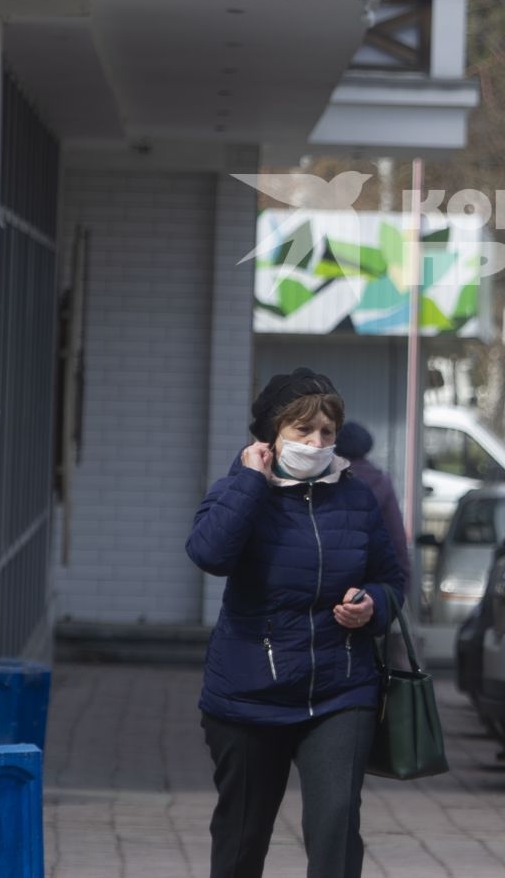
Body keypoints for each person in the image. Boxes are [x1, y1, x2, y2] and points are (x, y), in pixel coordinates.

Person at [186, 368, 407, 878]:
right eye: (302, 431)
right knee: (241, 842)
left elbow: (392, 578)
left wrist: (373, 604)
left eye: (327, 432)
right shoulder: (238, 491)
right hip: (247, 696)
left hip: (339, 690)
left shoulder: (357, 497)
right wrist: (250, 481)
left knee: (335, 828)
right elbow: (208, 553)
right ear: (271, 437)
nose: (316, 443)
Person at [334, 420, 413, 588]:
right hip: (373, 576)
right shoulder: (381, 481)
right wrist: (403, 577)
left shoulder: (329, 479)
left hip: (336, 575)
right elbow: (396, 533)